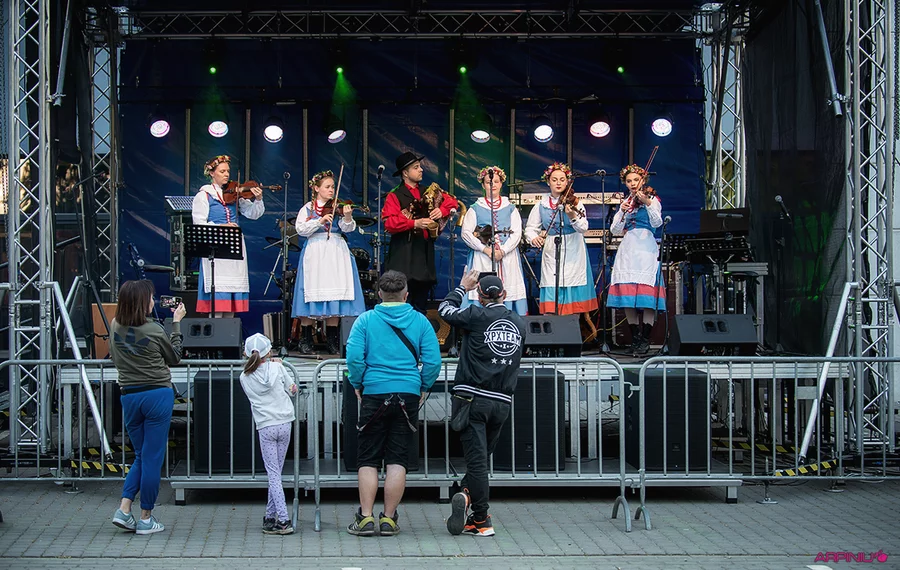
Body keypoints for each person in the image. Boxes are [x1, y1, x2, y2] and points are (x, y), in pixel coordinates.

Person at [344, 270, 442, 536]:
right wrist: (422, 386)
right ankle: (388, 519)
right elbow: (433, 362)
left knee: (368, 458)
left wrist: (358, 383)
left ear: (379, 294)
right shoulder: (420, 321)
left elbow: (354, 357)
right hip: (407, 393)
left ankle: (365, 518)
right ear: (406, 295)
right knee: (398, 458)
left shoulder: (365, 320)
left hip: (374, 392)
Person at [438, 270, 526, 537]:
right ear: (504, 294)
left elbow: (444, 311)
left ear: (480, 296)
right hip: (502, 402)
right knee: (481, 459)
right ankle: (466, 493)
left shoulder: (476, 315)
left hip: (473, 399)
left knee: (477, 463)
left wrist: (461, 288)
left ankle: (482, 519)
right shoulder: (519, 323)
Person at [109, 280, 186, 535]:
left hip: (129, 395)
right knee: (152, 458)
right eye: (151, 298)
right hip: (157, 395)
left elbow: (115, 356)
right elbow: (175, 357)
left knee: (142, 455)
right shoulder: (153, 329)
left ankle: (124, 508)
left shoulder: (115, 325)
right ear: (142, 302)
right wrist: (177, 323)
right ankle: (146, 517)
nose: (153, 301)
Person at [291, 170, 366, 354]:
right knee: (312, 290)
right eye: (327, 187)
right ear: (316, 188)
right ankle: (306, 339)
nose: (331, 190)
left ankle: (333, 339)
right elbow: (301, 229)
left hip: (336, 250)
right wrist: (319, 221)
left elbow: (347, 228)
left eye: (333, 186)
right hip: (315, 251)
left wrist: (347, 217)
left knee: (335, 292)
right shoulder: (307, 208)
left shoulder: (337, 206)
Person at [381, 151, 459, 314]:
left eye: (420, 166)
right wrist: (414, 223)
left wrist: (442, 210)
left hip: (423, 252)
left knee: (421, 301)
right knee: (402, 301)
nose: (421, 169)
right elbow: (389, 223)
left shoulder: (428, 191)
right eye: (416, 167)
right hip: (403, 252)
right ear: (405, 173)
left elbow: (452, 201)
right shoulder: (394, 196)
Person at [239, 333, 298, 535]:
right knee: (276, 473)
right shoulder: (278, 368)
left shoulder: (244, 377)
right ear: (269, 352)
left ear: (246, 353)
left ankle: (282, 519)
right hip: (285, 422)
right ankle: (271, 516)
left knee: (273, 474)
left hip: (265, 425)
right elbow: (292, 389)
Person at [192, 154, 265, 317]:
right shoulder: (204, 195)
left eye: (227, 171)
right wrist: (220, 226)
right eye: (222, 171)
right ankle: (215, 333)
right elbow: (199, 224)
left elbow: (253, 214)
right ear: (212, 173)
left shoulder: (235, 194)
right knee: (217, 305)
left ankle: (229, 333)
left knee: (231, 308)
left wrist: (258, 199)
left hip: (234, 248)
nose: (226, 175)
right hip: (215, 249)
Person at [523, 161, 599, 316]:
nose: (558, 183)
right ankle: (553, 327)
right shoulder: (541, 205)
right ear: (548, 182)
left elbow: (583, 228)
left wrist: (573, 216)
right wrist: (534, 238)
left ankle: (571, 326)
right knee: (552, 283)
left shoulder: (575, 202)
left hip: (573, 248)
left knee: (573, 283)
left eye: (562, 180)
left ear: (567, 182)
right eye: (554, 179)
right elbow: (530, 228)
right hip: (552, 248)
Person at [607, 163, 666, 356]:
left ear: (643, 180)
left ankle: (646, 338)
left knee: (648, 298)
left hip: (646, 248)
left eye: (636, 180)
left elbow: (657, 222)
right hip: (628, 248)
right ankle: (636, 338)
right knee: (628, 297)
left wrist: (647, 203)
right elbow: (615, 230)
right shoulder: (626, 203)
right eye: (629, 181)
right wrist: (622, 212)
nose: (633, 184)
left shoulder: (652, 199)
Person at [459, 166, 528, 315]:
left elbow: (516, 233)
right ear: (483, 185)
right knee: (482, 285)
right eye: (489, 182)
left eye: (496, 181)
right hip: (482, 256)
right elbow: (466, 233)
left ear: (501, 183)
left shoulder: (510, 208)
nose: (493, 185)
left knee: (509, 284)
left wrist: (503, 251)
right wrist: (485, 249)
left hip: (507, 256)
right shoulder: (475, 208)